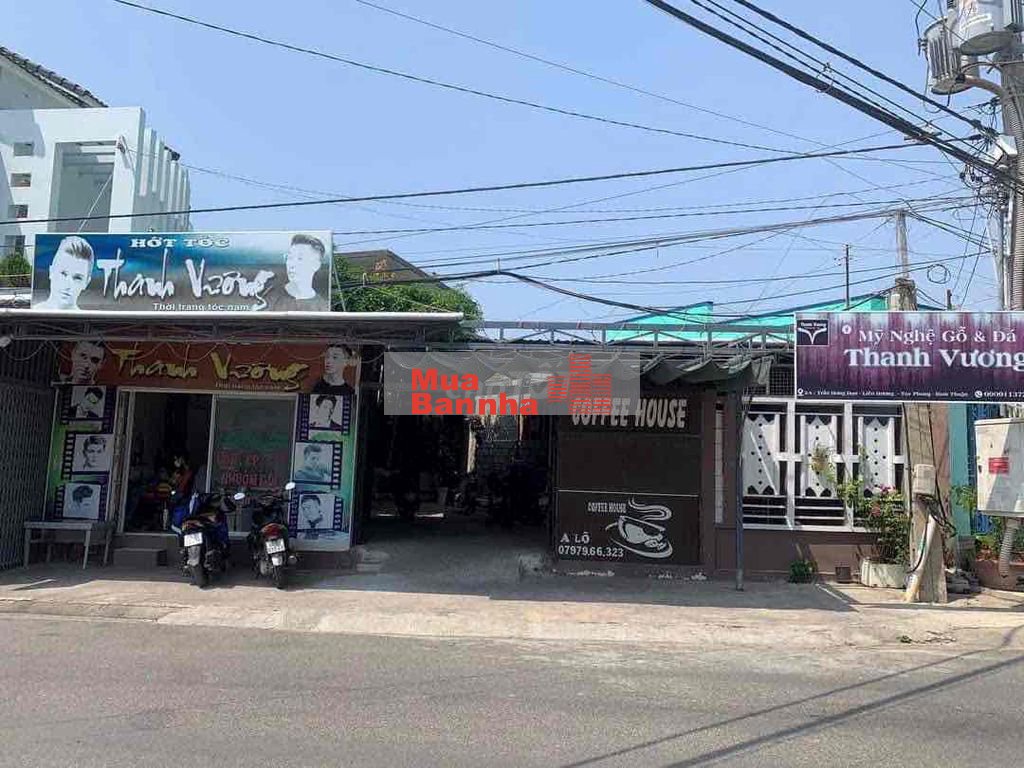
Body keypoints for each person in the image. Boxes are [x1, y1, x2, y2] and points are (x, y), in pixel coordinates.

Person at [265, 234, 326, 311]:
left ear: (316, 265)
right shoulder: (269, 296)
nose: (291, 264)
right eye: (290, 257)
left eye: (300, 258)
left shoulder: (322, 307)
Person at [35, 236, 95, 311]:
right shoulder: (30, 313)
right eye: (63, 274)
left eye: (77, 278)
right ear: (51, 272)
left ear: (86, 283)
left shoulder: (88, 318)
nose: (67, 285)